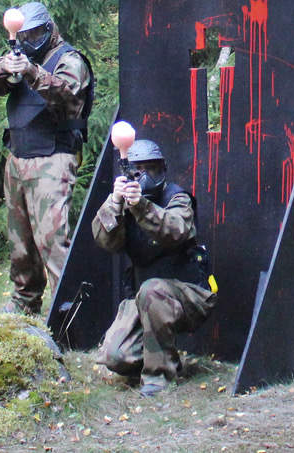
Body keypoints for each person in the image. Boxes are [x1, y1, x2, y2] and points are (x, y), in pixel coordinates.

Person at [0, 0, 92, 316]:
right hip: (19, 156)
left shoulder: (69, 60)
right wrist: (6, 67)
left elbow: (68, 97)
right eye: (22, 37)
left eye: (33, 35)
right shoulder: (20, 58)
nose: (27, 43)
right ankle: (24, 303)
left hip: (53, 158)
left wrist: (31, 72)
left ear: (48, 29)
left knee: (53, 241)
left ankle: (69, 313)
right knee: (21, 242)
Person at [93, 139, 217, 396]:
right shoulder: (125, 206)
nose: (147, 177)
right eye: (140, 171)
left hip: (190, 295)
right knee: (115, 356)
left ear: (163, 169)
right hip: (146, 299)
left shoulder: (177, 198)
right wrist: (115, 204)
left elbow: (175, 230)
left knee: (153, 290)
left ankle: (158, 378)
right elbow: (105, 240)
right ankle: (159, 356)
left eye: (153, 169)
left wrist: (141, 206)